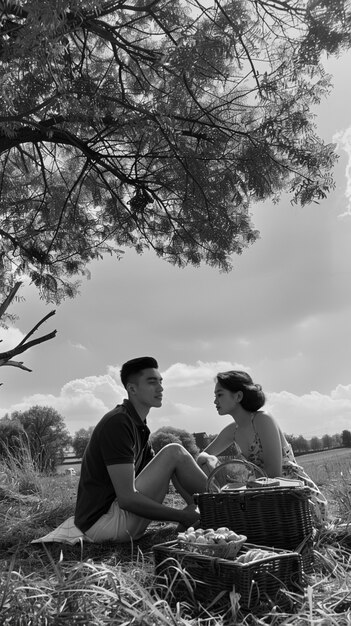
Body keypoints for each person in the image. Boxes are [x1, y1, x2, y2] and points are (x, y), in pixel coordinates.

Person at [73, 356, 207, 542]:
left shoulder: (138, 425)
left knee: (174, 458)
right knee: (174, 452)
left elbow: (169, 472)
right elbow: (127, 498)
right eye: (152, 382)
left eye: (161, 382)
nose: (160, 388)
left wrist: (194, 506)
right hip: (102, 524)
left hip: (117, 518)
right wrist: (183, 516)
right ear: (132, 388)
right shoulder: (118, 423)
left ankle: (214, 510)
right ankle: (228, 507)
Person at [196, 370, 328, 526]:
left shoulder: (263, 419)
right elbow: (201, 456)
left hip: (292, 494)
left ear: (238, 396)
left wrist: (238, 488)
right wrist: (210, 459)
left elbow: (274, 474)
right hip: (260, 495)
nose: (215, 401)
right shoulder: (233, 430)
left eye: (219, 394)